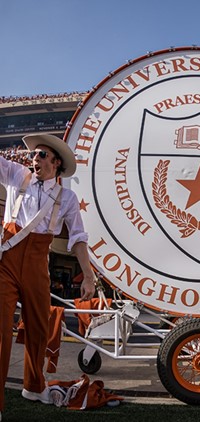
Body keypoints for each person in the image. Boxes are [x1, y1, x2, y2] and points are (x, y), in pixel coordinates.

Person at [0, 133, 96, 420]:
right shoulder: (19, 176)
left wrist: (88, 275)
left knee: (40, 328)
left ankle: (33, 385)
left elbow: (78, 237)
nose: (34, 159)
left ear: (56, 163)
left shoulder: (67, 197)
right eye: (33, 155)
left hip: (38, 264)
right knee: (2, 332)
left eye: (41, 155)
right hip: (6, 260)